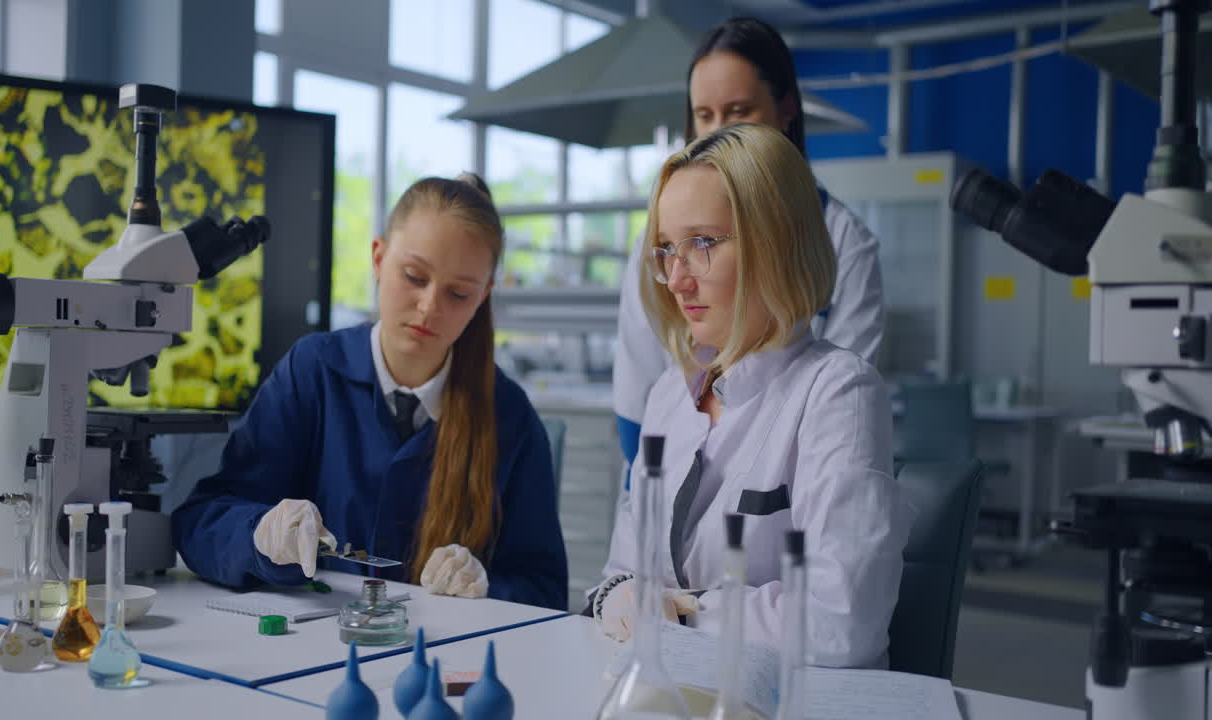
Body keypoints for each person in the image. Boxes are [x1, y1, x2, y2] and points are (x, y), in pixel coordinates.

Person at [172, 173, 568, 611]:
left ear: (483, 296)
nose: (429, 307)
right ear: (379, 258)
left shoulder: (508, 415)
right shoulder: (313, 372)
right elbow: (200, 523)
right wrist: (261, 535)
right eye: (414, 276)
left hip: (446, 659)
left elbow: (543, 589)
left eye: (458, 293)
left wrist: (485, 586)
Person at [591, 123, 906, 668]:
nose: (678, 279)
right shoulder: (670, 394)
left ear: (778, 242)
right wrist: (616, 597)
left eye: (704, 244)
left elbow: (841, 620)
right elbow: (621, 570)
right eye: (667, 250)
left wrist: (682, 614)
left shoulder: (837, 392)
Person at [614, 16, 884, 466]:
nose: (718, 131)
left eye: (738, 111)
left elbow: (840, 412)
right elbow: (638, 398)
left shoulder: (844, 241)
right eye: (704, 115)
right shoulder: (655, 245)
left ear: (786, 109)